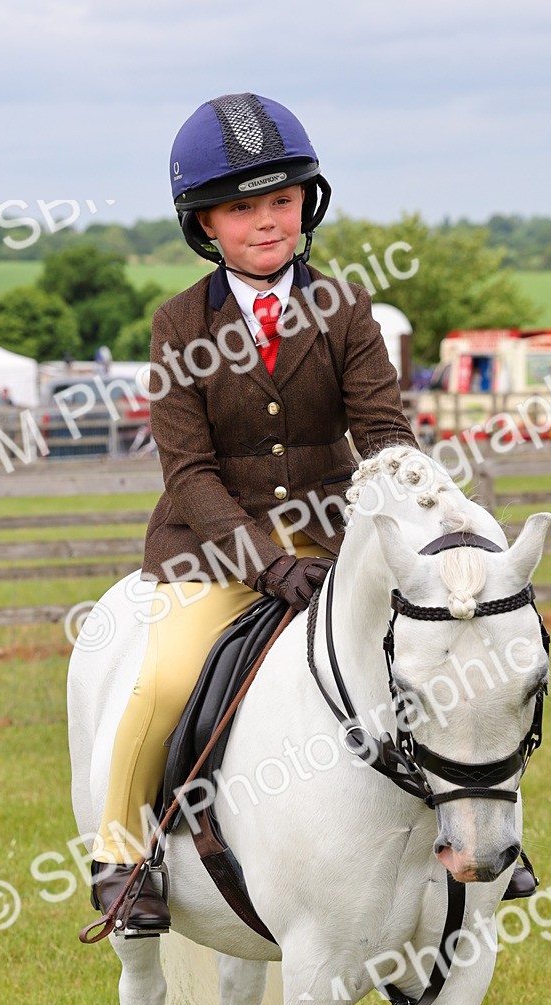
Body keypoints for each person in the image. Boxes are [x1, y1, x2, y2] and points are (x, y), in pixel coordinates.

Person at [89, 92, 419, 934]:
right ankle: (125, 859)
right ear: (204, 223)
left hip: (338, 540)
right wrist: (269, 562)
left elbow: (383, 433)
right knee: (161, 683)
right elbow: (190, 473)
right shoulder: (175, 325)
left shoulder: (346, 310)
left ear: (308, 200)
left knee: (438, 652)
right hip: (212, 550)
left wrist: (412, 511)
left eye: (282, 199)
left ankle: (478, 838)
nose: (269, 222)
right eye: (243, 208)